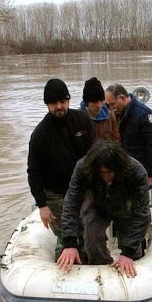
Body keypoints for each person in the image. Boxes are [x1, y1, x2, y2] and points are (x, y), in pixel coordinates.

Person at [57, 140, 150, 278]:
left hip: (126, 206)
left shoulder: (136, 172)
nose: (105, 176)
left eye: (109, 172)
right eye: (101, 173)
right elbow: (71, 202)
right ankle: (101, 268)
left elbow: (142, 213)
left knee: (132, 248)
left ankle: (131, 268)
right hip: (97, 204)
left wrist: (128, 253)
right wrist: (69, 242)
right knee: (91, 239)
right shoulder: (83, 168)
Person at [27, 78, 96, 256]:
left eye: (62, 101)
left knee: (88, 230)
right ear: (47, 104)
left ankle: (90, 259)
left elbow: (95, 154)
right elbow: (33, 172)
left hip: (84, 187)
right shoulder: (40, 135)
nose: (59, 106)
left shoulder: (83, 120)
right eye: (53, 103)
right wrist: (42, 205)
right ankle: (64, 263)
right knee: (67, 235)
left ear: (68, 101)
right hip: (56, 193)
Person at [105, 84, 152, 188]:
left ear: (122, 98)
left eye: (112, 104)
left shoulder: (144, 115)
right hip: (123, 171)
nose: (111, 108)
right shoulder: (116, 114)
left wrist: (151, 175)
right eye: (108, 105)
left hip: (141, 170)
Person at [80, 77, 120, 142]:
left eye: (101, 101)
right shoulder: (77, 118)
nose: (99, 105)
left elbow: (116, 140)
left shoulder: (110, 116)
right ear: (87, 102)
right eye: (94, 102)